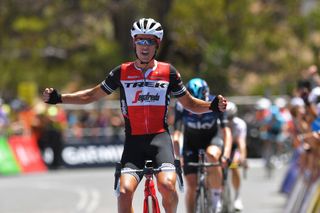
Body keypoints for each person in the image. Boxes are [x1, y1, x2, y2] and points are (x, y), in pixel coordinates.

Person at [42, 18, 227, 213]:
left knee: (167, 187)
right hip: (134, 143)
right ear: (134, 43)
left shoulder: (168, 72)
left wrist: (212, 106)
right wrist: (60, 98)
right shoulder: (121, 72)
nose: (144, 46)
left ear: (157, 44)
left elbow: (189, 103)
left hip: (160, 140)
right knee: (124, 192)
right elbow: (91, 95)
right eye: (140, 41)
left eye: (149, 41)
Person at [172, 78, 232, 213]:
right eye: (193, 104)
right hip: (191, 143)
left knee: (212, 154)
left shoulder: (216, 102)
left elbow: (226, 131)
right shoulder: (181, 105)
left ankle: (216, 200)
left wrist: (226, 155)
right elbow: (176, 134)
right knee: (192, 186)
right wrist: (178, 156)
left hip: (212, 139)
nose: (196, 108)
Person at [225, 101, 247, 211]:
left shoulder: (240, 124)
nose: (228, 120)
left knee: (234, 166)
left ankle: (237, 196)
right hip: (221, 146)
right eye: (226, 117)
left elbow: (241, 143)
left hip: (234, 148)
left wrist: (243, 157)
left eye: (230, 117)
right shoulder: (218, 122)